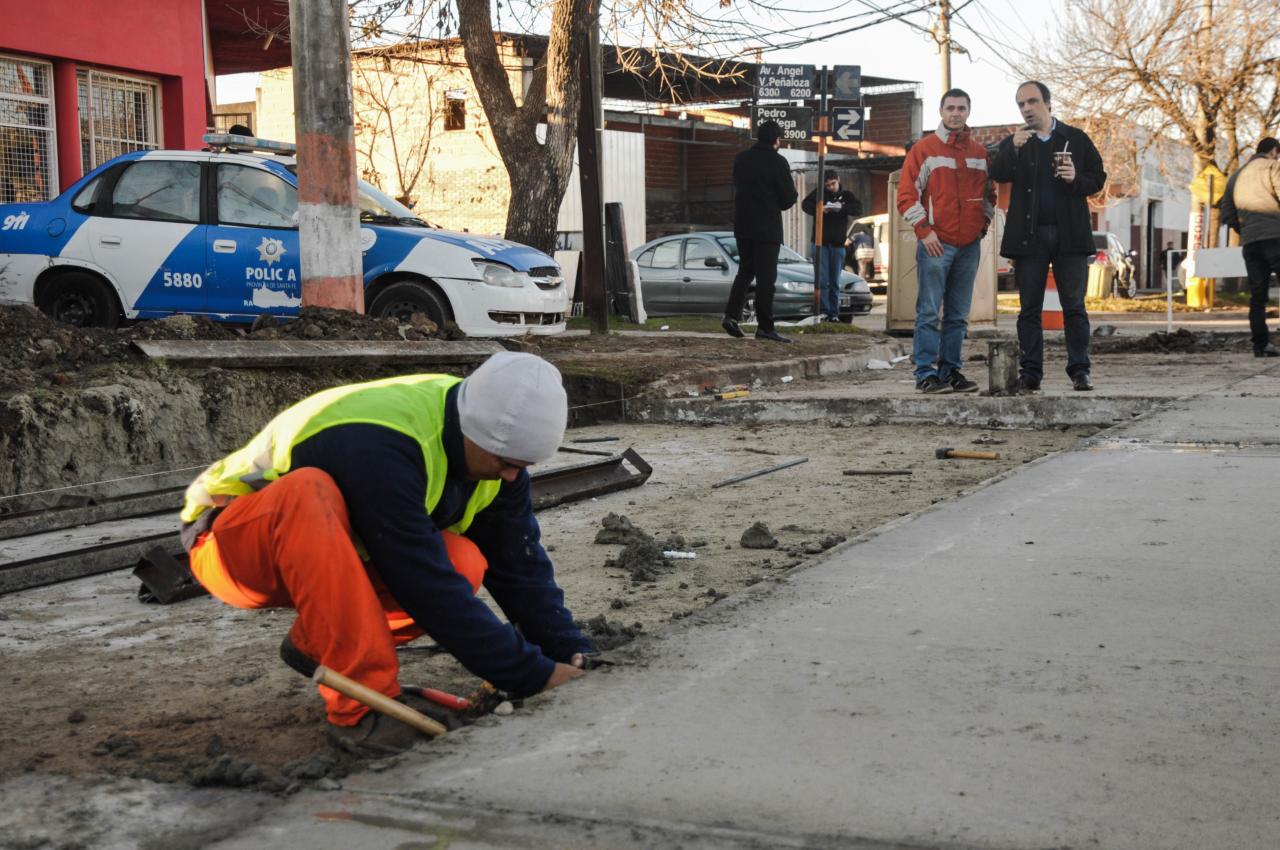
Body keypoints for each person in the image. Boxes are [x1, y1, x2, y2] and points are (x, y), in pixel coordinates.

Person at [179, 352, 593, 757]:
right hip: (231, 547)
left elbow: (519, 565)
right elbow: (422, 584)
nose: (512, 477)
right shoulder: (380, 442)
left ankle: (317, 648)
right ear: (474, 433)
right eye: (506, 463)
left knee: (463, 562)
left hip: (325, 555)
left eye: (523, 466)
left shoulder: (492, 450)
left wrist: (567, 649)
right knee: (308, 491)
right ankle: (363, 707)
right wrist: (530, 676)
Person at [990, 80, 1107, 392]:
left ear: (1048, 103)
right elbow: (997, 173)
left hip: (1070, 235)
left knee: (1074, 306)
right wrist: (1012, 149)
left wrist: (1076, 179)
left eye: (1032, 102)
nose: (1027, 108)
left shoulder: (1075, 139)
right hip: (1029, 237)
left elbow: (1098, 178)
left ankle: (1080, 370)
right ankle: (1031, 373)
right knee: (1029, 308)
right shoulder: (1016, 141)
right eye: (1021, 104)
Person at [896, 88, 994, 394]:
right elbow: (906, 195)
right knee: (928, 312)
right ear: (941, 111)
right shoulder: (924, 149)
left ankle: (952, 371)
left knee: (958, 315)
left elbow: (990, 195)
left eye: (961, 108)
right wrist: (925, 230)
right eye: (950, 108)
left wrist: (983, 225)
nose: (956, 113)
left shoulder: (979, 153)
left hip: (969, 246)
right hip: (937, 243)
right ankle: (925, 373)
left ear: (968, 112)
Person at [722, 119, 800, 342]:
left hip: (743, 226)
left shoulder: (742, 159)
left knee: (745, 271)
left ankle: (731, 316)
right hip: (767, 229)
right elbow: (788, 199)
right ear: (777, 140)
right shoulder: (777, 162)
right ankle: (765, 327)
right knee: (767, 278)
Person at [1218, 136, 1280, 357]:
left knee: (1258, 296)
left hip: (1251, 242)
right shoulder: (1273, 167)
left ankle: (1260, 346)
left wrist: (1245, 230)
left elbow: (1227, 213)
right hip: (1276, 236)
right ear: (1273, 151)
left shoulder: (1236, 176)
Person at [802, 170, 862, 322]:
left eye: (833, 184)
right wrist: (819, 209)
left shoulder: (847, 195)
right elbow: (805, 205)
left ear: (838, 180)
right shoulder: (820, 193)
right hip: (820, 243)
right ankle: (823, 312)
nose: (831, 187)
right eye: (827, 185)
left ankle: (834, 314)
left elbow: (858, 209)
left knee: (835, 281)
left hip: (837, 245)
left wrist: (841, 208)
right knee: (822, 280)